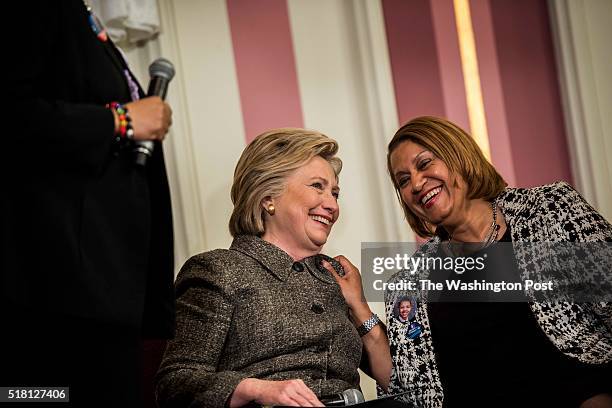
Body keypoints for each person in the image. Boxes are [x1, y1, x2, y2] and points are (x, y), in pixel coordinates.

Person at [1, 1, 174, 406]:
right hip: (58, 288)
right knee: (41, 397)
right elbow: (12, 116)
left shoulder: (79, 15)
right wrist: (121, 121)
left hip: (107, 286)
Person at [382, 116, 612, 407]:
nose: (415, 183)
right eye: (403, 180)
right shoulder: (409, 285)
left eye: (425, 163)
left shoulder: (549, 210)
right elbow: (409, 388)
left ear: (458, 156)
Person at [155, 128, 390, 407]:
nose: (332, 205)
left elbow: (394, 378)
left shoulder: (336, 278)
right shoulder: (218, 270)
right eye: (317, 186)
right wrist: (255, 388)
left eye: (335, 193)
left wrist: (360, 306)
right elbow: (174, 383)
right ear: (268, 198)